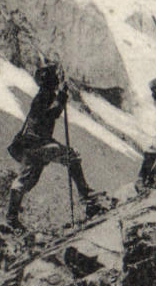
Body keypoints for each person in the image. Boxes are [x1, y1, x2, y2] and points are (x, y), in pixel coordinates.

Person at [6, 60, 106, 228]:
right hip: (38, 144)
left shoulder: (43, 95)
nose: (57, 81)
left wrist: (59, 102)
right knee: (71, 157)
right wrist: (60, 103)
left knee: (27, 180)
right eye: (54, 78)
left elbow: (44, 116)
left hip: (30, 146)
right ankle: (88, 201)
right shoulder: (44, 96)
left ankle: (11, 217)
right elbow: (44, 118)